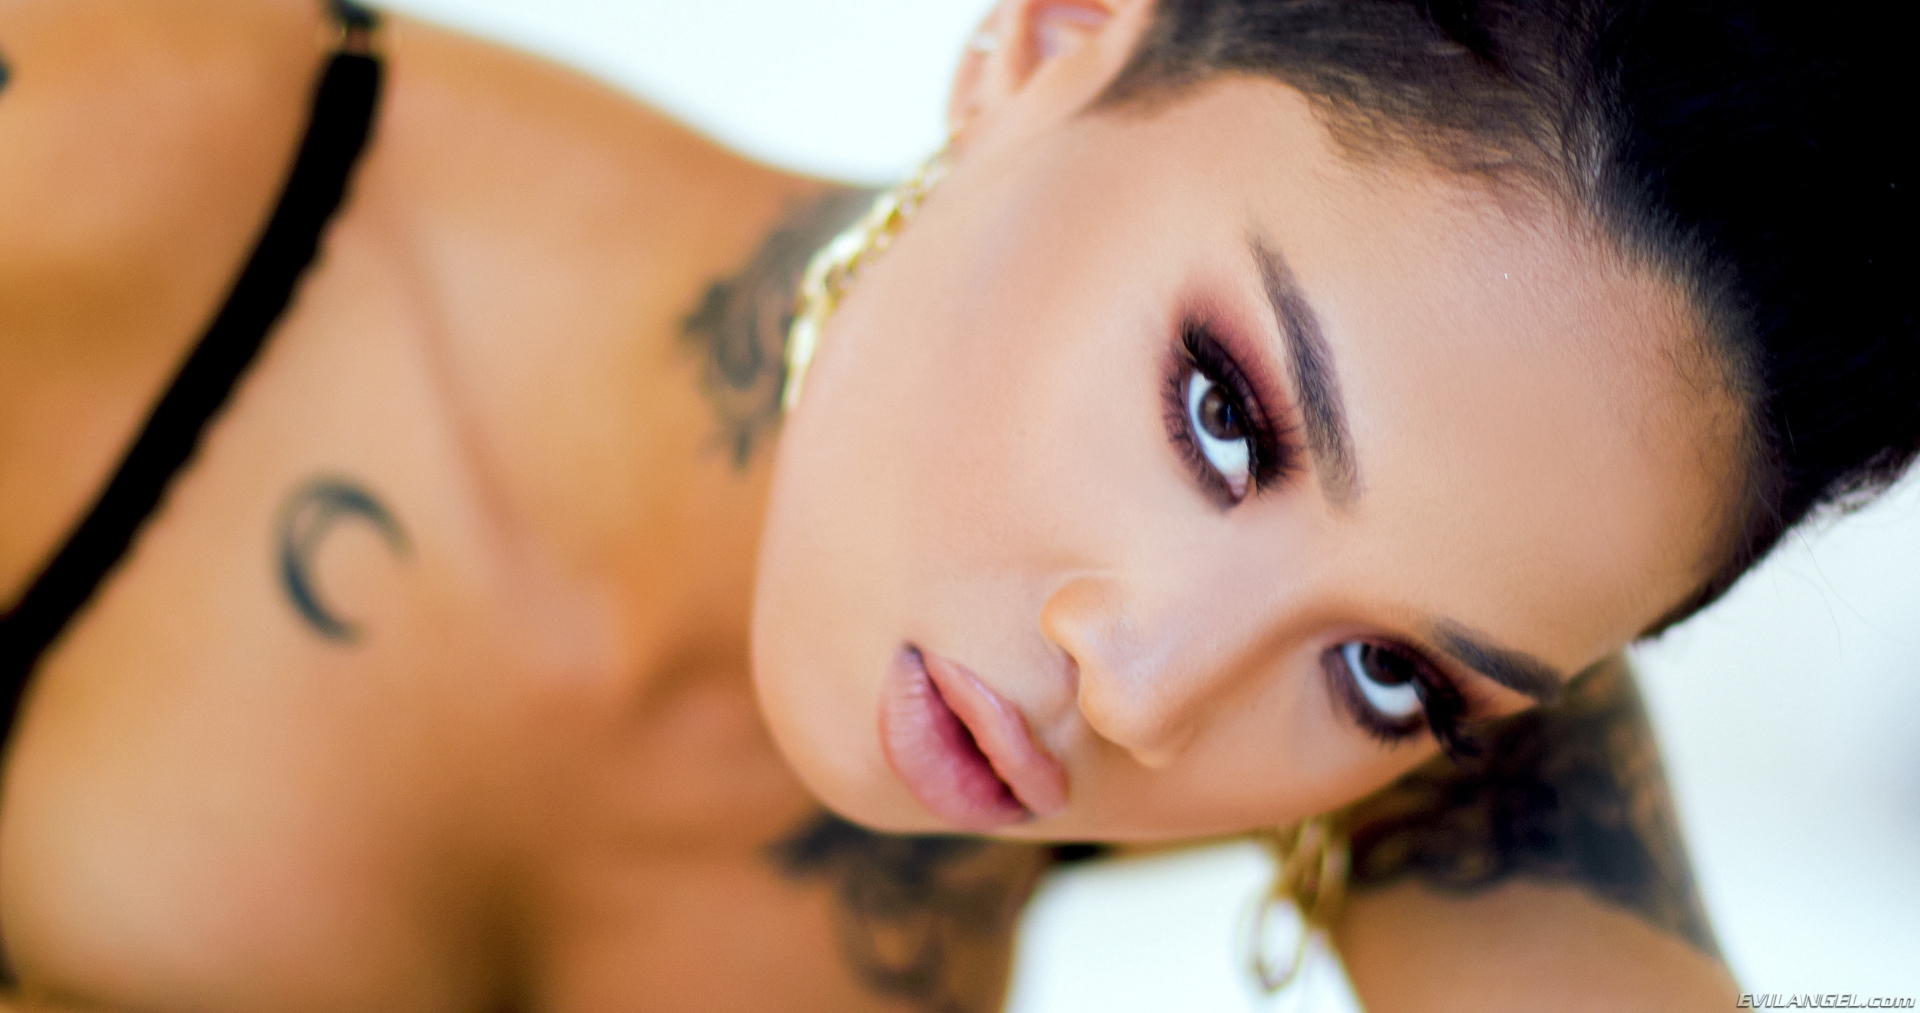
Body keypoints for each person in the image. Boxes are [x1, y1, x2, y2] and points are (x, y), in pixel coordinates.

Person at [0, 0, 1910, 1009]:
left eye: (1395, 670)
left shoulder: (1424, 762)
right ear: (1055, 41)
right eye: (1224, 415)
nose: (1147, 695)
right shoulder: (102, 151)